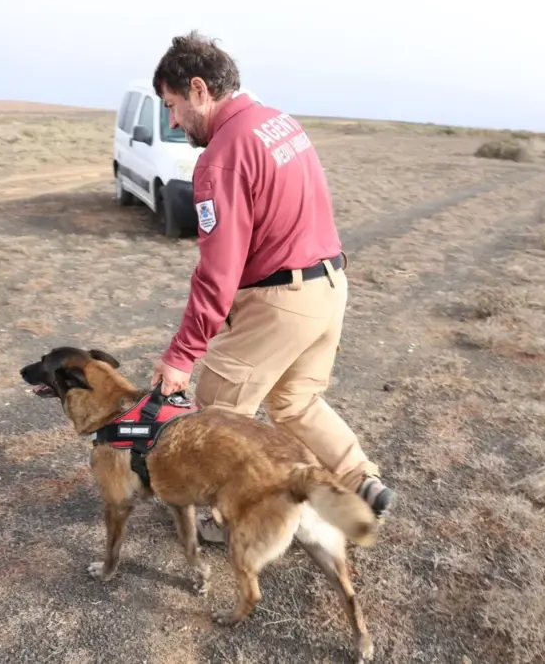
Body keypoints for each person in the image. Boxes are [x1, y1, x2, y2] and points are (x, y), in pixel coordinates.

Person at [147, 30, 396, 544]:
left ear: (198, 90)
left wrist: (182, 354)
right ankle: (360, 483)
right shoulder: (279, 123)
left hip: (281, 300)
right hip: (328, 286)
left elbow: (219, 269)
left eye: (172, 106)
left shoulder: (222, 156)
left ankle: (238, 518)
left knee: (218, 411)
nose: (172, 121)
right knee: (295, 401)